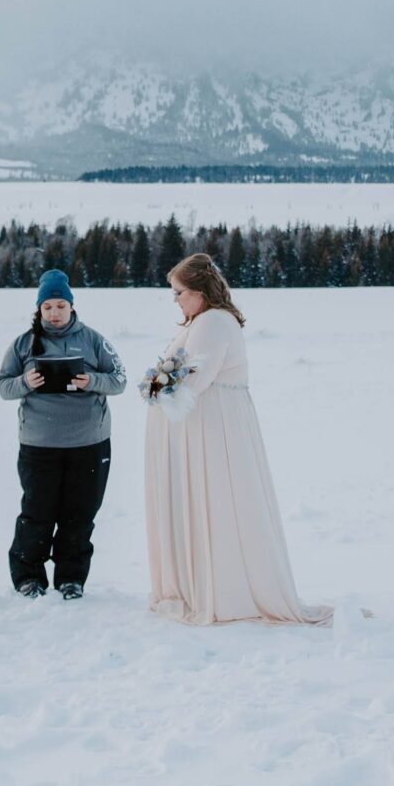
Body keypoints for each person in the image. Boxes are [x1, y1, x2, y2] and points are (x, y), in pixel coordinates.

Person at [143, 252, 331, 626]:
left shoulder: (214, 322)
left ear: (200, 291)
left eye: (180, 292)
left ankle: (225, 587)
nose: (176, 300)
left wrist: (161, 385)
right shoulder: (200, 320)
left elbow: (196, 377)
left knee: (217, 499)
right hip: (202, 423)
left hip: (215, 426)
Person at [0, 268, 124, 598]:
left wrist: (91, 381)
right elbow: (3, 387)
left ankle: (71, 578)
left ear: (71, 307)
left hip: (89, 443)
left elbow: (119, 380)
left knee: (79, 514)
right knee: (37, 512)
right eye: (48, 307)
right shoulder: (23, 344)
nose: (54, 314)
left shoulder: (94, 340)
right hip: (39, 445)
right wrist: (26, 382)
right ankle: (28, 577)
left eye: (60, 306)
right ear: (39, 309)